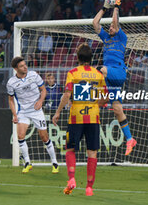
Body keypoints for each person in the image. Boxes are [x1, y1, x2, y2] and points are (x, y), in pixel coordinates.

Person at [52, 43, 107, 196]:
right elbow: (105, 98)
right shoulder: (98, 75)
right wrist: (95, 103)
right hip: (93, 118)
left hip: (76, 117)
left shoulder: (73, 73)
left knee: (70, 149)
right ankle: (89, 188)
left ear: (77, 57)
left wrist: (57, 112)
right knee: (92, 153)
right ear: (91, 58)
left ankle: (71, 179)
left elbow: (67, 95)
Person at [92, 0, 137, 155]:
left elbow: (115, 22)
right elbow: (95, 23)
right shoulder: (106, 38)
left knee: (100, 69)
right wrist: (105, 8)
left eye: (111, 26)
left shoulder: (121, 37)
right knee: (117, 110)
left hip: (117, 72)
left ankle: (101, 98)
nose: (110, 27)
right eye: (109, 26)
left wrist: (116, 8)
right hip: (111, 80)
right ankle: (130, 139)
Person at [6, 56, 59, 174]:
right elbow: (10, 100)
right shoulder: (11, 83)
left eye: (25, 64)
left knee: (44, 137)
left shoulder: (34, 75)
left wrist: (40, 101)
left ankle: (54, 163)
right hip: (23, 112)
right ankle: (27, 162)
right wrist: (15, 115)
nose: (25, 67)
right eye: (21, 66)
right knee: (20, 136)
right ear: (16, 69)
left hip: (36, 110)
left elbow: (43, 90)